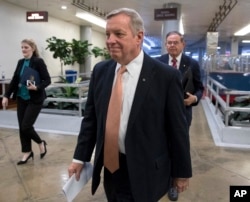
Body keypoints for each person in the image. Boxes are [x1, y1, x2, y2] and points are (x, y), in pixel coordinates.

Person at [68, 8, 192, 202]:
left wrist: (182, 172)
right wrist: (79, 158)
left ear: (139, 37)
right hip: (111, 167)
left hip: (146, 169)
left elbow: (177, 129)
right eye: (108, 34)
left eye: (119, 34)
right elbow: (91, 120)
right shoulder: (101, 71)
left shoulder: (165, 76)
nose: (110, 40)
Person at [157, 31, 204, 201]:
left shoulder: (192, 64)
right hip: (160, 114)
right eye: (169, 42)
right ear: (165, 44)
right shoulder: (158, 62)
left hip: (183, 114)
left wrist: (195, 98)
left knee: (178, 146)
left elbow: (200, 88)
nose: (172, 45)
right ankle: (161, 179)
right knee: (161, 146)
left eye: (175, 42)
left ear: (183, 44)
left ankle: (173, 184)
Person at [2, 39, 51, 165]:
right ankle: (27, 152)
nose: (23, 49)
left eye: (26, 47)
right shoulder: (21, 62)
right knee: (22, 127)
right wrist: (6, 95)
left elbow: (47, 80)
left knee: (26, 126)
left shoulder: (38, 62)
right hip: (21, 97)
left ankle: (40, 143)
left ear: (32, 48)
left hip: (34, 99)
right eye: (22, 47)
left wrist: (37, 87)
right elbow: (14, 80)